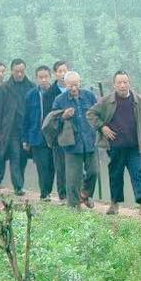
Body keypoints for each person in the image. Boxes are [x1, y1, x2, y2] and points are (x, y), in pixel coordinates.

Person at [88, 70, 141, 216]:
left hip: (133, 145)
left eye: (125, 82)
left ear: (129, 83)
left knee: (137, 172)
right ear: (114, 85)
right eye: (119, 82)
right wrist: (102, 127)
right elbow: (91, 114)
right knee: (116, 174)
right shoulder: (107, 101)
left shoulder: (137, 99)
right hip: (115, 146)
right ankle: (114, 204)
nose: (122, 85)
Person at [51, 71, 98, 209]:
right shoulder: (59, 100)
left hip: (89, 140)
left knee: (93, 171)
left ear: (80, 83)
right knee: (73, 178)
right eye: (70, 86)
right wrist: (63, 116)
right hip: (72, 143)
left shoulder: (89, 96)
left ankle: (85, 194)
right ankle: (73, 207)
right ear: (65, 85)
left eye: (76, 85)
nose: (73, 88)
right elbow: (52, 122)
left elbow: (98, 113)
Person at [0, 59, 36, 194]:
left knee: (23, 158)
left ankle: (20, 184)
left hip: (26, 129)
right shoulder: (4, 88)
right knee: (15, 156)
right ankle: (18, 186)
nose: (19, 74)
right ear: (11, 71)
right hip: (11, 129)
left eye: (22, 71)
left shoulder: (31, 87)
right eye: (17, 71)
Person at [23, 65, 56, 200]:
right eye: (40, 77)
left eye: (46, 77)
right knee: (42, 166)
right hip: (37, 136)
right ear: (36, 79)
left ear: (50, 77)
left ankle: (48, 190)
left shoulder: (56, 93)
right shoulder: (31, 95)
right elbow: (26, 117)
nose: (43, 80)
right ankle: (44, 193)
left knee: (52, 166)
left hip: (53, 137)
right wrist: (25, 138)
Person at [49, 60, 70, 199]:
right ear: (55, 74)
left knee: (75, 166)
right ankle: (63, 194)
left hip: (74, 135)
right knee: (60, 166)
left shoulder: (74, 90)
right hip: (58, 134)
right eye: (60, 71)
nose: (63, 74)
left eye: (65, 71)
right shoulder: (50, 93)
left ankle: (77, 193)